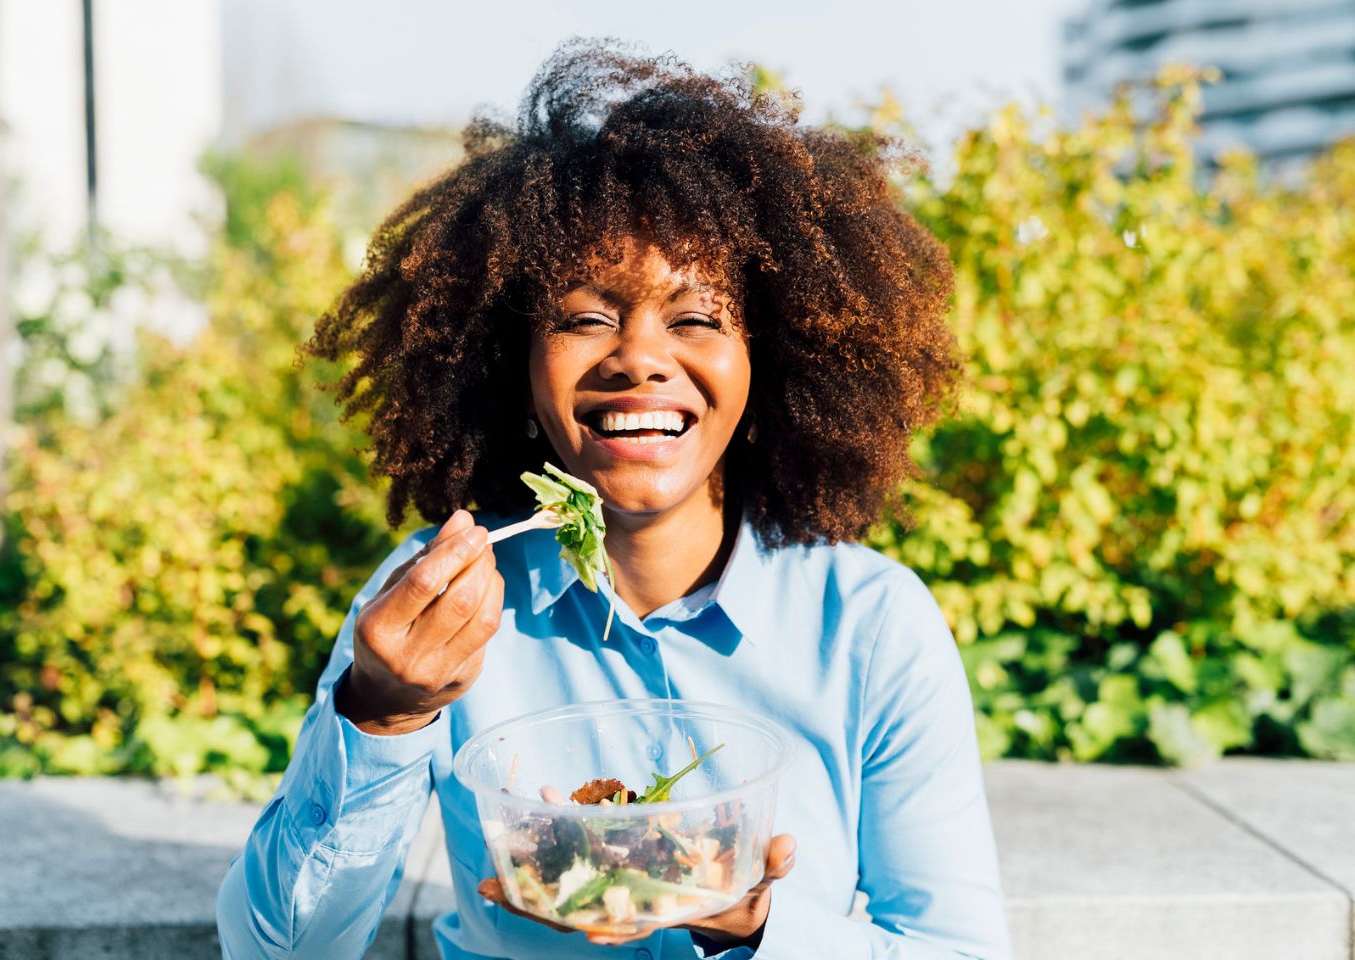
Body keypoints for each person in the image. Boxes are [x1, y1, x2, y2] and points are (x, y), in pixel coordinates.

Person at [216, 36, 1010, 960]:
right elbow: (280, 951)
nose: (638, 358)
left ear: (773, 362)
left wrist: (751, 922)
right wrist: (382, 715)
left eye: (697, 317)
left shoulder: (871, 627)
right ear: (512, 366)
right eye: (586, 317)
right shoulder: (443, 601)